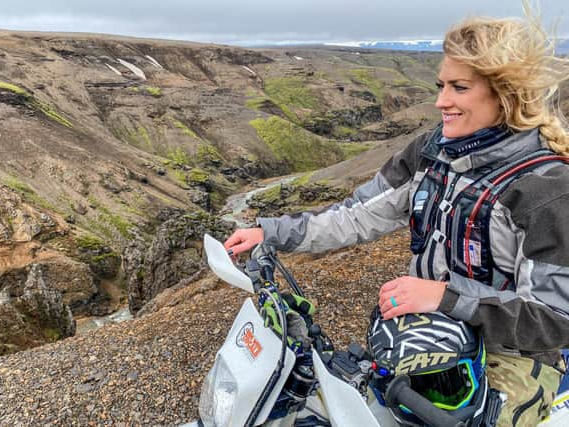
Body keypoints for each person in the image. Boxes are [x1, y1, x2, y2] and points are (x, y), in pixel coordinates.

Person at [224, 4, 569, 426]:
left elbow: (554, 319)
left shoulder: (547, 190)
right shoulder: (431, 152)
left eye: (459, 88)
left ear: (506, 94)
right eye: (441, 85)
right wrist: (272, 233)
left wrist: (445, 298)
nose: (441, 101)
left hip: (509, 359)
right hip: (423, 337)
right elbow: (357, 214)